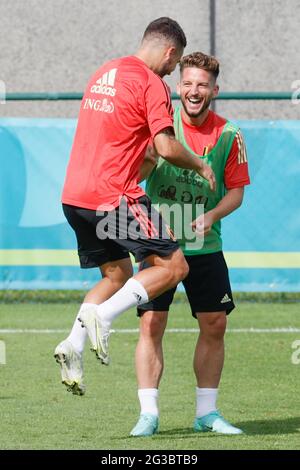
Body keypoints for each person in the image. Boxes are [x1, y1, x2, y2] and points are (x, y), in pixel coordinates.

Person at [54, 19, 216, 396]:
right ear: (170, 52)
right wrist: (200, 163)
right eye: (174, 67)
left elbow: (128, 143)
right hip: (112, 197)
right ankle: (103, 318)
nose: (171, 72)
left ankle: (72, 345)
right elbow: (164, 147)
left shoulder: (104, 72)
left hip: (75, 198)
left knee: (115, 277)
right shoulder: (151, 83)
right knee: (175, 265)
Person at [130, 52, 250, 436]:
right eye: (187, 83)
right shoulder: (159, 127)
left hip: (205, 244)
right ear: (177, 86)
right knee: (152, 323)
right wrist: (146, 161)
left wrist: (212, 216)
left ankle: (206, 413)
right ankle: (148, 414)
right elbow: (136, 173)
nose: (193, 91)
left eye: (202, 85)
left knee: (214, 324)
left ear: (215, 90)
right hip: (158, 244)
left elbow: (236, 193)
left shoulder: (229, 134)